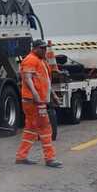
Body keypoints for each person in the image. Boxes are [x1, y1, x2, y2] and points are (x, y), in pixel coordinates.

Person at [16, 39, 61, 167]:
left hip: (37, 100)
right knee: (45, 128)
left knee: (31, 129)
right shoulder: (30, 59)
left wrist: (53, 95)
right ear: (35, 48)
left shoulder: (41, 61)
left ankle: (21, 156)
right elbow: (27, 78)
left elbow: (46, 81)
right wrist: (35, 94)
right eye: (42, 48)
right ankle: (50, 158)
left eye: (45, 48)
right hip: (34, 101)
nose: (44, 50)